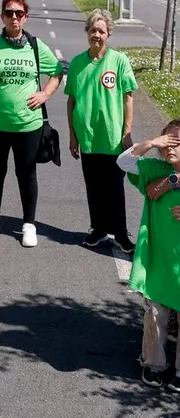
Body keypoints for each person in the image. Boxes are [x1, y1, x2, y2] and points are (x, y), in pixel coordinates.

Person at [0, 0, 63, 248]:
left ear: (25, 17)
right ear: (2, 16)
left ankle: (28, 224)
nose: (14, 17)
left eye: (19, 13)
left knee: (27, 174)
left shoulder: (35, 46)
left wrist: (45, 94)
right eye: (9, 13)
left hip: (28, 125)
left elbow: (57, 72)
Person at [116, 121, 180, 392]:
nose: (170, 146)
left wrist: (175, 180)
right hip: (157, 261)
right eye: (168, 141)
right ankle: (153, 364)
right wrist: (152, 143)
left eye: (176, 141)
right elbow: (124, 162)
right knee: (155, 315)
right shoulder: (156, 169)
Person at [65, 9, 137, 252]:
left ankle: (120, 233)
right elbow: (71, 100)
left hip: (113, 138)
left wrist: (127, 132)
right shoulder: (76, 63)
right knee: (93, 187)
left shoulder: (119, 61)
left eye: (101, 31)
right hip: (87, 138)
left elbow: (128, 97)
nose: (97, 35)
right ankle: (98, 229)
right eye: (93, 30)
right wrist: (73, 134)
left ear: (109, 35)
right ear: (88, 33)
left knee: (114, 188)